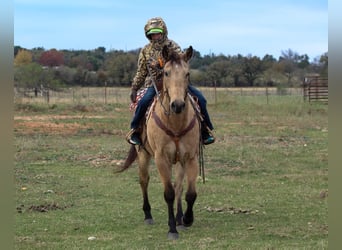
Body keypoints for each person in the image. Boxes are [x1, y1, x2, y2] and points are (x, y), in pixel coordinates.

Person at [127, 17, 215, 146]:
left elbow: (180, 62)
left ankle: (205, 130)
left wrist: (161, 64)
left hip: (177, 82)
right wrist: (134, 88)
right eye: (152, 33)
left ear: (163, 32)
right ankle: (135, 130)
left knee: (201, 99)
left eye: (158, 32)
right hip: (155, 84)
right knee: (144, 102)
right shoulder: (145, 50)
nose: (155, 36)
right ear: (148, 34)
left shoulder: (173, 46)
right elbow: (141, 72)